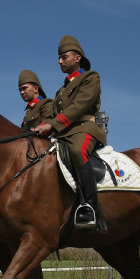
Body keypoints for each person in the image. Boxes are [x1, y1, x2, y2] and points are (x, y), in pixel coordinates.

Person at [32, 35, 107, 229]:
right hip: (64, 133)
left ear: (77, 58)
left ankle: (91, 208)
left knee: (77, 152)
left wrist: (52, 125)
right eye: (59, 58)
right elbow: (54, 115)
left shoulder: (90, 78)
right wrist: (39, 128)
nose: (60, 61)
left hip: (85, 129)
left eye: (64, 57)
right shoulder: (61, 92)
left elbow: (80, 106)